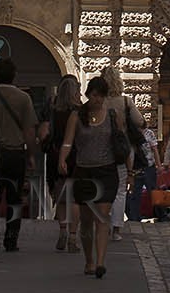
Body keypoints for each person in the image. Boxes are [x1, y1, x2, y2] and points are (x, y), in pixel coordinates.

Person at [57, 75, 132, 278]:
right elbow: (67, 141)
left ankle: (100, 262)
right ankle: (89, 260)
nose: (97, 100)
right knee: (87, 221)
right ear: (88, 95)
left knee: (102, 216)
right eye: (94, 96)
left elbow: (122, 142)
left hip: (107, 172)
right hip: (84, 172)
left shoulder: (112, 114)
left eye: (100, 96)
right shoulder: (77, 116)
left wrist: (130, 170)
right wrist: (62, 159)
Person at [0, 59, 38, 253]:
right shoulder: (23, 98)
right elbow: (29, 130)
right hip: (15, 154)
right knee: (14, 198)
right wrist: (31, 154)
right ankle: (11, 239)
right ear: (14, 75)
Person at [102, 62, 141, 241]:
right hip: (123, 149)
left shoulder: (99, 101)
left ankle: (102, 224)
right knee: (120, 190)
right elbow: (140, 121)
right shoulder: (125, 101)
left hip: (102, 148)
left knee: (103, 188)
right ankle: (116, 229)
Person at [46, 74, 83, 251]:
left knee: (60, 197)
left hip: (56, 155)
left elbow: (45, 132)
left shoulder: (54, 110)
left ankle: (62, 231)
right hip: (76, 156)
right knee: (74, 198)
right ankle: (73, 236)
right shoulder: (80, 111)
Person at [126, 112, 161, 223]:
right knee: (135, 193)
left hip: (148, 166)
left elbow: (155, 150)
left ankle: (161, 214)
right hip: (136, 168)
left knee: (153, 191)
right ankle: (134, 217)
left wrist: (158, 165)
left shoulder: (148, 133)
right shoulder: (130, 134)